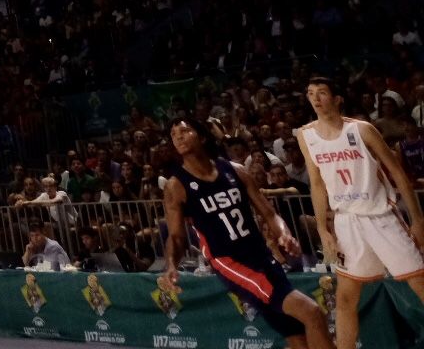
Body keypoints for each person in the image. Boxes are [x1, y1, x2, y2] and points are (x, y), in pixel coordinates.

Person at [162, 119, 331, 349]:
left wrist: (284, 234)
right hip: (231, 264)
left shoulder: (235, 170)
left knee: (294, 331)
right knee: (312, 312)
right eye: (174, 134)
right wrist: (171, 264)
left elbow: (270, 214)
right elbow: (177, 237)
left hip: (262, 255)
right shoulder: (176, 185)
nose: (178, 137)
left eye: (185, 131)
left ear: (201, 137)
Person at [296, 76, 424, 349]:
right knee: (345, 298)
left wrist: (418, 220)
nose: (315, 98)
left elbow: (398, 173)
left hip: (381, 216)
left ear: (337, 98)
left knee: (420, 285)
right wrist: (322, 228)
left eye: (322, 92)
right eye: (310, 93)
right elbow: (317, 184)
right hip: (346, 221)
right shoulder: (306, 136)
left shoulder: (361, 130)